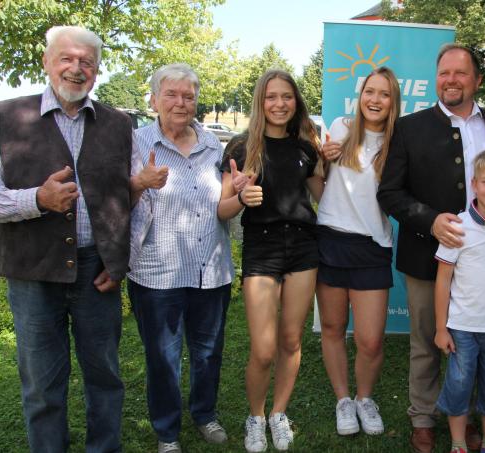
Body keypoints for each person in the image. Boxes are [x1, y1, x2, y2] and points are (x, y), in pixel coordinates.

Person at [0, 25, 159, 452]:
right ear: (47, 63)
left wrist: (120, 259)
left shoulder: (118, 123)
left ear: (96, 70)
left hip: (97, 271)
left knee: (105, 377)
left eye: (86, 62)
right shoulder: (8, 116)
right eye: (67, 59)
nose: (76, 69)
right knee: (41, 384)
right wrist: (37, 198)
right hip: (34, 273)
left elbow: (131, 198)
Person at [377, 43, 485, 453]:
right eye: (444, 73)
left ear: (477, 80)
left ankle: (468, 416)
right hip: (426, 254)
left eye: (460, 73)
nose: (450, 80)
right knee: (427, 339)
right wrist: (430, 220)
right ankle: (423, 416)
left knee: (475, 338)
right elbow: (390, 193)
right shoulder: (409, 127)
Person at [127, 63, 234, 453]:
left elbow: (223, 203)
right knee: (162, 358)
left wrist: (236, 192)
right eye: (171, 94)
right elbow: (110, 203)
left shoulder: (212, 144)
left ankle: (204, 414)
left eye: (188, 96)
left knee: (208, 352)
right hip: (157, 273)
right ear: (154, 99)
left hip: (211, 268)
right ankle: (167, 432)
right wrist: (139, 183)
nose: (180, 102)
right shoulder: (137, 144)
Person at [218, 69, 323, 453]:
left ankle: (279, 413)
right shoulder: (241, 147)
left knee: (292, 339)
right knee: (263, 349)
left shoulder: (306, 146)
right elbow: (222, 210)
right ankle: (255, 416)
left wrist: (335, 161)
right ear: (261, 102)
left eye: (287, 97)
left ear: (296, 102)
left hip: (302, 246)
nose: (280, 104)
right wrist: (241, 198)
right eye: (271, 97)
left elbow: (324, 198)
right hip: (261, 248)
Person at [316, 67, 400, 436]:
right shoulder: (342, 127)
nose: (375, 99)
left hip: (372, 246)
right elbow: (318, 180)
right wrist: (323, 157)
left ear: (392, 100)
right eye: (370, 91)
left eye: (383, 93)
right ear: (360, 95)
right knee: (333, 328)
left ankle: (365, 398)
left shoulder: (399, 143)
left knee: (370, 339)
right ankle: (343, 401)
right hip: (331, 240)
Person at [433, 148, 485, 453]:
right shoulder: (458, 227)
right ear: (475, 184)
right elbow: (443, 279)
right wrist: (441, 328)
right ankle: (458, 444)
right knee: (459, 384)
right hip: (462, 327)